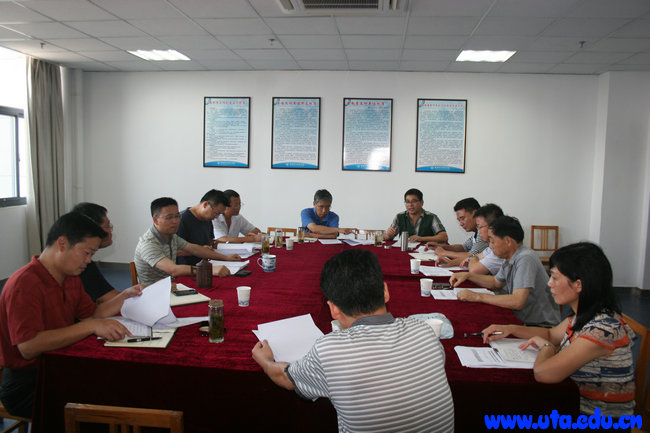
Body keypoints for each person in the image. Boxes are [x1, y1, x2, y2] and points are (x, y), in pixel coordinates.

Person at [252, 249, 454, 433]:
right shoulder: (425, 331)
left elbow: (286, 378)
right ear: (385, 291)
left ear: (333, 309)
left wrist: (266, 361)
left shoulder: (330, 350)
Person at [0, 212, 142, 418]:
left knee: (125, 383)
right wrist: (90, 326)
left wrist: (125, 295)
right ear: (62, 243)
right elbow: (29, 347)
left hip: (61, 364)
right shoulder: (24, 284)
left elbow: (91, 315)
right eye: (87, 253)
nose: (88, 261)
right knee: (106, 403)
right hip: (29, 382)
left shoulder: (70, 276)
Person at [482, 243, 635, 426]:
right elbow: (550, 333)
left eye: (554, 278)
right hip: (575, 404)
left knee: (498, 415)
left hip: (596, 419)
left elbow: (543, 373)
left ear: (578, 284)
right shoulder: (584, 315)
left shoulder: (602, 330)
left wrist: (547, 348)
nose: (549, 284)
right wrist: (511, 329)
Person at [450, 215, 560, 326]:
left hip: (539, 326)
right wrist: (468, 276)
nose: (490, 247)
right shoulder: (510, 256)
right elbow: (495, 282)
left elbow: (517, 301)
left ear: (508, 241)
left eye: (492, 241)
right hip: (521, 319)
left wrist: (478, 296)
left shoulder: (525, 258)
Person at [134, 197, 238, 286]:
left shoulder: (171, 236)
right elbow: (173, 270)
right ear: (156, 220)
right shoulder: (148, 244)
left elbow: (194, 249)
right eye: (169, 217)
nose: (175, 221)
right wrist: (209, 270)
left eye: (177, 216)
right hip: (154, 293)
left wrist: (226, 258)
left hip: (172, 285)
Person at [72, 202, 141, 303]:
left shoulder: (85, 262)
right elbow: (110, 299)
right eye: (108, 226)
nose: (111, 231)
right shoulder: (81, 265)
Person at [176, 190, 240, 266]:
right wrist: (201, 249)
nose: (216, 217)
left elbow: (210, 241)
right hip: (187, 267)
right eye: (216, 213)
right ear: (205, 204)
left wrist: (218, 245)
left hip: (206, 264)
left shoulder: (207, 219)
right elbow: (176, 251)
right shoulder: (181, 220)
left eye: (219, 214)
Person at [428, 197, 487, 267]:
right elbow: (464, 247)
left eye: (463, 218)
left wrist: (444, 253)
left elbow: (471, 256)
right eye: (459, 220)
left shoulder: (485, 231)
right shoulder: (476, 232)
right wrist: (441, 246)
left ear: (475, 214)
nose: (461, 224)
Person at [459, 203, 505, 275]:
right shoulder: (491, 247)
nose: (478, 231)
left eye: (480, 227)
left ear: (493, 226)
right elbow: (477, 255)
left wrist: (472, 259)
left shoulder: (499, 248)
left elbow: (474, 270)